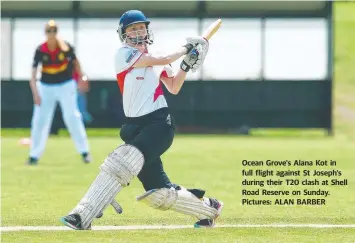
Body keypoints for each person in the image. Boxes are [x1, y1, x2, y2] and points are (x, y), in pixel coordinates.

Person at [60, 10, 223, 230]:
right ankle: (209, 209)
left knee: (123, 162)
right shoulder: (124, 54)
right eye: (132, 28)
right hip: (133, 126)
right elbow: (161, 59)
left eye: (141, 27)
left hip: (159, 124)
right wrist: (187, 48)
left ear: (147, 30)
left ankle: (82, 215)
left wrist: (186, 63)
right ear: (123, 33)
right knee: (159, 193)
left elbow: (174, 87)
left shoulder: (156, 56)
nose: (138, 31)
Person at [27, 20, 92, 165]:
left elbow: (76, 64)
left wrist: (82, 79)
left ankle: (85, 152)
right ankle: (34, 156)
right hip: (45, 86)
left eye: (54, 31)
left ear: (57, 32)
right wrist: (36, 94)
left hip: (66, 85)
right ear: (45, 33)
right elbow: (33, 74)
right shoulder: (40, 50)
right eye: (49, 31)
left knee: (72, 117)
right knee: (40, 120)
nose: (52, 34)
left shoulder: (66, 47)